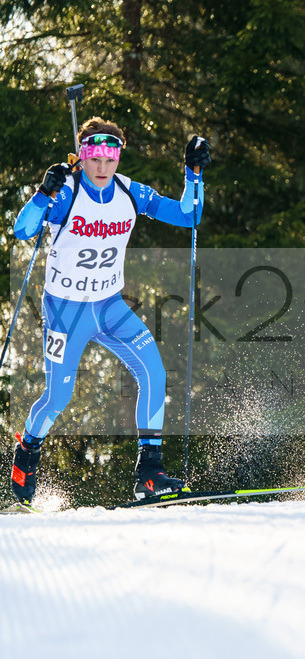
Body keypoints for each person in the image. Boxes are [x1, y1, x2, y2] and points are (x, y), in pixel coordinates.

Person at [9, 117, 211, 504]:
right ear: (81, 156)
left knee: (154, 372)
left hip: (109, 306)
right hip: (66, 312)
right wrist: (41, 193)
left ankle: (149, 475)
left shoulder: (130, 192)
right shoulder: (66, 193)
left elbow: (189, 215)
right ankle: (27, 454)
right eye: (94, 157)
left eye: (110, 157)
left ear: (118, 157)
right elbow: (23, 230)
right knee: (57, 398)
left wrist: (193, 171)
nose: (102, 167)